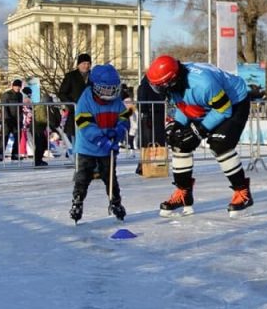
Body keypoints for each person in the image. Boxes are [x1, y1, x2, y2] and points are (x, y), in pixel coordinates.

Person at [146, 55, 253, 218]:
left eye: (161, 86)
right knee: (179, 141)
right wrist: (176, 125)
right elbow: (184, 105)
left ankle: (242, 192)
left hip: (234, 102)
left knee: (219, 144)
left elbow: (224, 110)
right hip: (209, 102)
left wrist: (199, 131)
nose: (159, 91)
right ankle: (183, 193)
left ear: (172, 80)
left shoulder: (202, 84)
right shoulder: (176, 82)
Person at [69, 64, 129, 223]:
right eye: (105, 90)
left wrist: (119, 130)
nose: (109, 94)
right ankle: (77, 201)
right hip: (87, 148)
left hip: (108, 148)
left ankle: (115, 202)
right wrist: (101, 140)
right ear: (95, 87)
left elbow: (124, 116)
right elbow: (85, 126)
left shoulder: (116, 101)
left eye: (112, 90)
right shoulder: (85, 101)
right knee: (83, 177)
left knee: (110, 177)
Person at [58, 53, 92, 143]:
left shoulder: (94, 76)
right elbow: (62, 93)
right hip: (75, 112)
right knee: (76, 139)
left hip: (91, 112)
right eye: (84, 63)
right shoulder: (71, 76)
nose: (86, 66)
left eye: (88, 64)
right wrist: (72, 105)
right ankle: (76, 156)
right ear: (78, 65)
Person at [22, 87, 49, 167]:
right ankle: (37, 161)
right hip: (33, 125)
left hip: (35, 125)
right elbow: (29, 112)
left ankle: (38, 160)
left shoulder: (30, 101)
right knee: (39, 143)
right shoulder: (27, 101)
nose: (30, 95)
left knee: (41, 142)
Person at [0, 79, 24, 161]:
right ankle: (0, 154)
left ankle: (15, 154)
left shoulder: (20, 95)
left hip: (17, 120)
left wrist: (21, 118)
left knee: (18, 137)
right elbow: (4, 108)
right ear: (13, 86)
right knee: (5, 137)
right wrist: (7, 118)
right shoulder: (6, 94)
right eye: (16, 86)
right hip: (8, 120)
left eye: (19, 86)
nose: (17, 88)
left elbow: (20, 108)